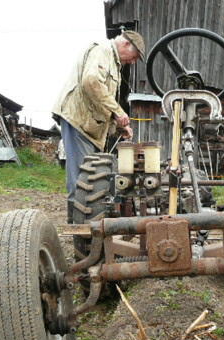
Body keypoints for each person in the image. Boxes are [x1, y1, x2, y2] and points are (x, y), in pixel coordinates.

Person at [52, 31, 145, 218]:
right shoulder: (102, 50)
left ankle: (90, 223)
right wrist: (119, 111)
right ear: (126, 45)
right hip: (78, 121)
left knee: (93, 179)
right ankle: (80, 226)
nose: (133, 62)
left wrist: (118, 125)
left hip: (90, 127)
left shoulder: (113, 61)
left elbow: (100, 98)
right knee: (82, 179)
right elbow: (91, 81)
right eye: (134, 57)